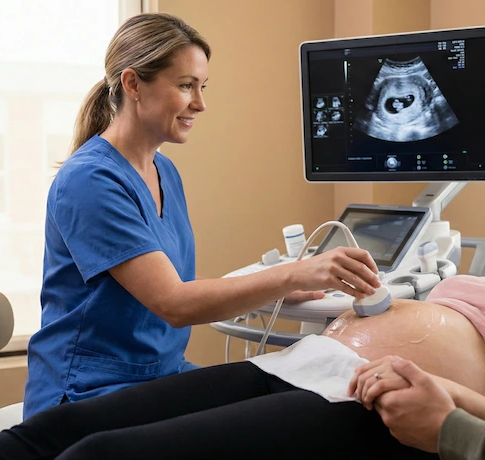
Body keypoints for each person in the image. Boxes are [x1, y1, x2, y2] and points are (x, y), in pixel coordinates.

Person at [0, 177, 485, 460]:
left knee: (103, 456)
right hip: (297, 368)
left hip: (374, 410)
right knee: (52, 435)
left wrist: (449, 404)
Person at [22, 12, 382, 419]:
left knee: (300, 397)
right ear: (132, 84)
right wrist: (299, 272)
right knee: (272, 422)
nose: (201, 103)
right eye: (185, 86)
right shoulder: (89, 181)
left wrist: (278, 289)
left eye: (202, 86)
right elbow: (175, 303)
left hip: (159, 377)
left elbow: (173, 284)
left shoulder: (163, 171)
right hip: (89, 393)